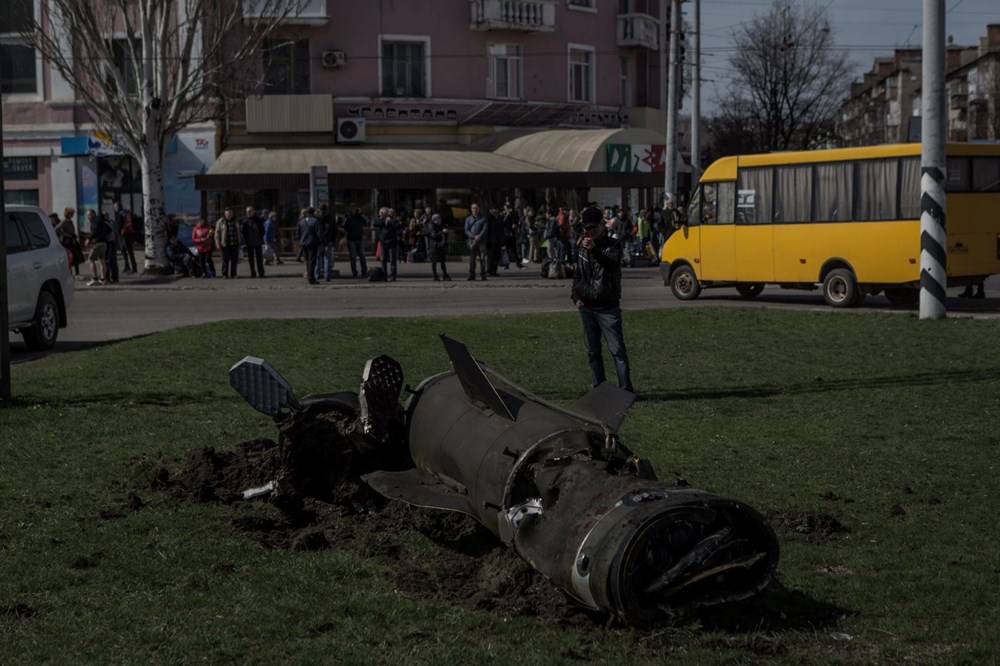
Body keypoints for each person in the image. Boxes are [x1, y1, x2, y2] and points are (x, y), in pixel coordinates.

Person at [571, 205, 633, 393]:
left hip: (607, 307)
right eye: (587, 229)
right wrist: (575, 296)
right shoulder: (582, 248)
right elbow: (578, 275)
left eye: (593, 228)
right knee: (593, 352)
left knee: (617, 350)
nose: (590, 232)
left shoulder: (612, 245)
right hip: (587, 307)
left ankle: (625, 389)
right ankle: (599, 387)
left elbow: (612, 265)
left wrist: (595, 250)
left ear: (602, 225)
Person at [86, 209, 111, 286]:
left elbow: (95, 230)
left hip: (97, 243)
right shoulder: (102, 221)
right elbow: (109, 230)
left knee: (91, 259)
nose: (88, 216)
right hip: (104, 243)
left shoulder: (95, 221)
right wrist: (103, 236)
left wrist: (89, 239)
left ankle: (94, 278)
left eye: (90, 214)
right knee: (102, 261)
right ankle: (103, 279)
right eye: (87, 215)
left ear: (93, 214)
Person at [54, 209, 83, 277]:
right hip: (67, 242)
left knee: (76, 257)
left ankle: (77, 273)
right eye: (71, 213)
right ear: (68, 214)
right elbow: (56, 229)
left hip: (72, 241)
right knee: (70, 258)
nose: (72, 215)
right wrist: (67, 235)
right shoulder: (65, 221)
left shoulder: (70, 221)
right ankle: (70, 274)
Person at [374, 207, 401, 281]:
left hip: (392, 243)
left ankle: (393, 275)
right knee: (383, 260)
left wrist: (390, 220)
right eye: (380, 213)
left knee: (393, 260)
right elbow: (375, 223)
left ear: (387, 213)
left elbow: (397, 226)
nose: (380, 214)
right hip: (383, 243)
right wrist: (384, 220)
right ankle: (384, 275)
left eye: (382, 213)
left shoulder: (394, 220)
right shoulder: (381, 220)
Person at [297, 207, 322, 284]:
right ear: (313, 213)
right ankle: (311, 278)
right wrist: (323, 242)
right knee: (312, 261)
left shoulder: (301, 221)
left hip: (304, 243)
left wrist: (301, 241)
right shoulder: (315, 221)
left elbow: (298, 233)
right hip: (312, 243)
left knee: (307, 261)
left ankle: (309, 277)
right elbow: (319, 233)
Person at [215, 207, 241, 279]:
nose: (229, 214)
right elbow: (217, 234)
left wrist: (240, 243)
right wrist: (218, 244)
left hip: (234, 244)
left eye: (230, 213)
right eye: (228, 213)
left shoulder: (236, 221)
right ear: (225, 214)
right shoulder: (220, 222)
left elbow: (239, 233)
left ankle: (234, 274)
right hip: (224, 245)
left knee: (234, 261)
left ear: (232, 214)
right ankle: (225, 274)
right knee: (225, 261)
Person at [343, 205, 368, 278]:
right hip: (351, 240)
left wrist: (361, 213)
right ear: (350, 209)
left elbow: (367, 220)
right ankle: (354, 272)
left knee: (362, 256)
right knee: (353, 257)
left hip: (360, 239)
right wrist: (345, 232)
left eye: (355, 208)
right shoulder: (347, 217)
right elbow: (342, 226)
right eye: (352, 208)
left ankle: (364, 271)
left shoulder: (359, 216)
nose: (354, 209)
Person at [464, 203, 487, 281]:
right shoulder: (468, 219)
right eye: (473, 208)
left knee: (483, 258)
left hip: (481, 241)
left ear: (479, 209)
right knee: (472, 258)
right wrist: (473, 237)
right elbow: (466, 230)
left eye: (476, 208)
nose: (475, 210)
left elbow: (485, 229)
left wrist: (479, 236)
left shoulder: (483, 218)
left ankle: (483, 274)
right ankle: (472, 275)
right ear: (471, 209)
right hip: (472, 241)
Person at [241, 206, 266, 278]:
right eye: (247, 211)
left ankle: (261, 273)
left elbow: (262, 230)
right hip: (249, 243)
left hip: (258, 242)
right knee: (251, 259)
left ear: (253, 211)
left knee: (259, 259)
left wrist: (260, 237)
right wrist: (246, 239)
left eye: (250, 211)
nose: (249, 212)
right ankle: (253, 273)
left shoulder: (258, 220)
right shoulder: (244, 221)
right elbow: (243, 232)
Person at [315, 203, 338, 281]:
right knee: (327, 258)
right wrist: (334, 240)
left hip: (319, 241)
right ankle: (326, 275)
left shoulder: (317, 218)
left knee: (318, 258)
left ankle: (317, 274)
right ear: (326, 209)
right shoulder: (330, 218)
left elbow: (315, 230)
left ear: (319, 209)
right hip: (328, 241)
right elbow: (335, 229)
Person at [115, 201, 138, 273]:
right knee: (128, 251)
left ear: (117, 207)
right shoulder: (128, 213)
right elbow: (133, 222)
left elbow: (119, 225)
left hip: (124, 234)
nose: (115, 208)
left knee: (126, 251)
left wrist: (117, 233)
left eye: (115, 207)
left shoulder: (120, 214)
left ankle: (132, 268)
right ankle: (129, 267)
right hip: (130, 232)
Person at [428, 213, 451, 281]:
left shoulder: (438, 225)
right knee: (434, 261)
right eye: (438, 219)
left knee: (442, 261)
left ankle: (445, 275)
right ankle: (435, 276)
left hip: (440, 245)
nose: (440, 220)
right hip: (434, 246)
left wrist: (445, 232)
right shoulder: (431, 225)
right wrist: (442, 232)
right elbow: (434, 235)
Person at [103, 211, 120, 283]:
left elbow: (116, 233)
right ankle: (109, 277)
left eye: (106, 215)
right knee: (108, 261)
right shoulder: (104, 223)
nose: (106, 216)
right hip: (107, 242)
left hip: (111, 243)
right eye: (104, 215)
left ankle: (114, 277)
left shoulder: (111, 222)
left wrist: (117, 244)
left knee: (111, 260)